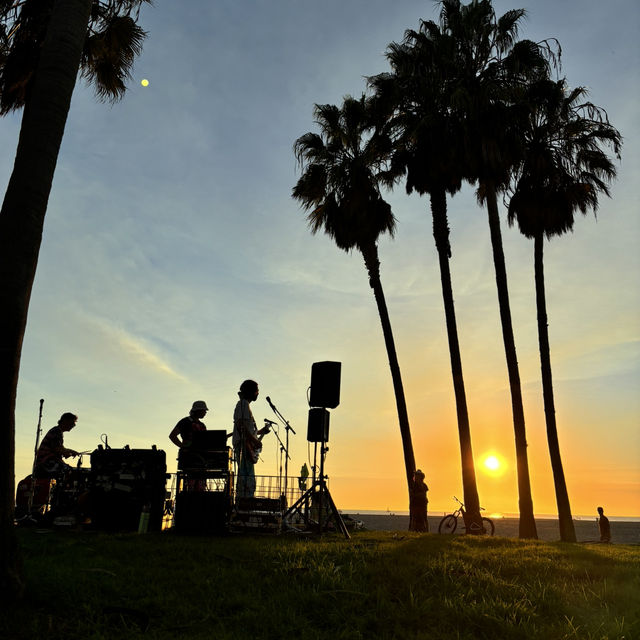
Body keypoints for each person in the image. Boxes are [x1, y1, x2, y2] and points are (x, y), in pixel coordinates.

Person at [233, 380, 270, 499]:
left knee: (247, 476)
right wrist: (255, 441)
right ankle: (244, 503)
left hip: (246, 445)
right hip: (244, 446)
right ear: (250, 392)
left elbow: (246, 428)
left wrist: (260, 432)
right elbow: (241, 426)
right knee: (246, 477)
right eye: (256, 391)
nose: (257, 393)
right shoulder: (243, 404)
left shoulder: (245, 405)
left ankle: (245, 501)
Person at [34, 412, 79, 478]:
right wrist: (70, 451)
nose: (74, 425)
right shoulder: (56, 431)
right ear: (65, 421)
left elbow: (60, 449)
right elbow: (58, 449)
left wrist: (67, 452)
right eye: (72, 423)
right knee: (69, 471)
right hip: (46, 463)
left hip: (47, 461)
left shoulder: (57, 431)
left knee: (69, 470)